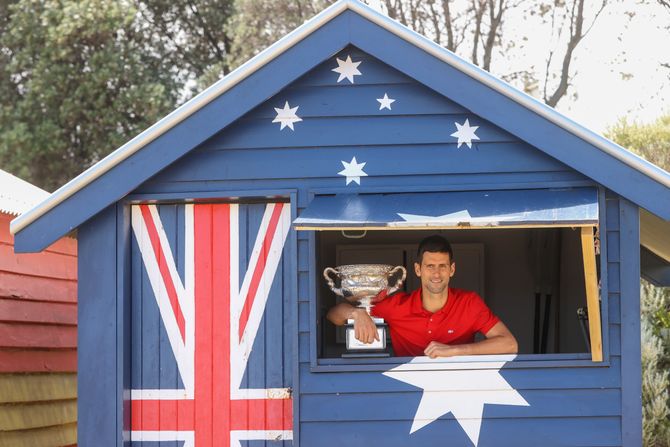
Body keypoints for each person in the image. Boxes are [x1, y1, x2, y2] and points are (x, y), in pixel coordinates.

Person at [326, 235, 518, 358]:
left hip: (459, 387)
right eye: (430, 266)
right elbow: (334, 314)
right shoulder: (398, 305)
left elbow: (510, 344)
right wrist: (357, 313)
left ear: (452, 269)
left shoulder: (469, 303)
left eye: (442, 266)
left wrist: (455, 350)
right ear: (418, 269)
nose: (436, 274)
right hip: (408, 392)